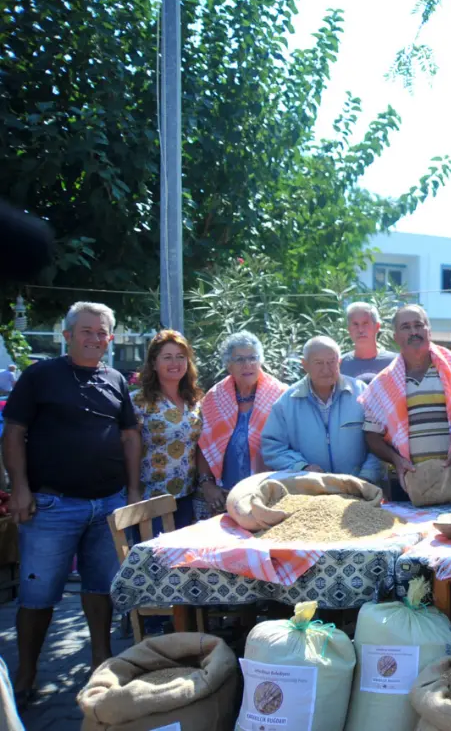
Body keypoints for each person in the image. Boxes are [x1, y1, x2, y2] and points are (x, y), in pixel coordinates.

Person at [1, 301, 141, 704]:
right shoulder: (40, 376)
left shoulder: (115, 379)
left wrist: (131, 493)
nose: (95, 338)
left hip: (107, 503)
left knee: (101, 588)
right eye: (87, 331)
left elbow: (130, 436)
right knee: (38, 595)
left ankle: (102, 663)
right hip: (51, 506)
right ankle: (25, 676)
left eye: (102, 333)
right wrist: (20, 489)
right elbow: (13, 433)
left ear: (110, 338)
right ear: (67, 335)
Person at [362, 305, 451, 501]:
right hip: (409, 485)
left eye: (418, 325)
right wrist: (397, 461)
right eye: (406, 327)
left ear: (429, 331)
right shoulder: (382, 385)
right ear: (395, 337)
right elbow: (372, 436)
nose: (414, 332)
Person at [261, 336, 382, 481]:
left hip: (360, 488)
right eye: (318, 363)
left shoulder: (362, 393)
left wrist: (367, 476)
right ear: (305, 365)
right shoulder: (287, 403)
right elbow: (273, 448)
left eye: (331, 362)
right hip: (310, 491)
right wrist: (301, 468)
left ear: (339, 362)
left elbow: (379, 440)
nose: (326, 369)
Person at [194, 331, 287, 520]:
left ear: (260, 361)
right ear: (229, 365)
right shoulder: (215, 397)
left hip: (269, 494)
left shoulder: (281, 396)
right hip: (224, 495)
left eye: (253, 358)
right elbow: (204, 444)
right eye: (239, 359)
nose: (247, 365)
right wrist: (207, 484)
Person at [131, 329, 203, 533]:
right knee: (154, 561)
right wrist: (133, 491)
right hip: (151, 498)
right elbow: (129, 447)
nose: (175, 363)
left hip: (187, 496)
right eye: (168, 357)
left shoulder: (195, 401)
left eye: (181, 357)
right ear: (154, 363)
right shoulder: (139, 401)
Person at [340, 302, 396, 382]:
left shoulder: (395, 362)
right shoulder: (340, 364)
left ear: (377, 327)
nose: (360, 330)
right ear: (349, 329)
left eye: (365, 324)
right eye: (355, 324)